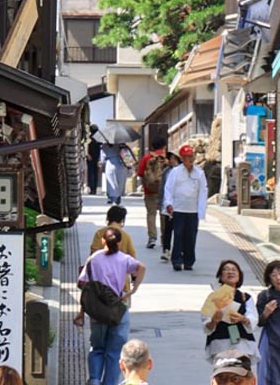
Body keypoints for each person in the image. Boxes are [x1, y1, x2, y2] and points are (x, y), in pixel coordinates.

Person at [78, 226, 146, 385]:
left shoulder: (93, 259)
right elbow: (141, 267)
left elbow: (85, 287)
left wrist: (81, 312)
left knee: (97, 348)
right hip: (117, 309)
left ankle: (94, 380)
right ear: (120, 243)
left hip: (97, 311)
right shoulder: (124, 259)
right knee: (115, 352)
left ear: (103, 241)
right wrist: (133, 290)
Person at [202, 259, 259, 366]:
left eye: (234, 270)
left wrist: (242, 318)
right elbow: (206, 325)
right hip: (220, 345)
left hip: (242, 345)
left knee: (241, 376)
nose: (230, 272)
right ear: (221, 276)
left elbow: (253, 319)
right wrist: (214, 321)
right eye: (226, 269)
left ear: (239, 276)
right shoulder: (213, 298)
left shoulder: (245, 297)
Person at [163, 143, 207, 271]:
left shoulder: (199, 173)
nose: (190, 159)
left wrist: (201, 210)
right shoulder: (175, 172)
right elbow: (168, 189)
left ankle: (189, 261)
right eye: (187, 156)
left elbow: (203, 191)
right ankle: (176, 260)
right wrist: (168, 204)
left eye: (191, 156)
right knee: (178, 235)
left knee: (191, 236)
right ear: (182, 158)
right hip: (178, 209)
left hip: (192, 210)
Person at [137, 142, 168, 249]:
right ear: (164, 146)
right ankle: (165, 238)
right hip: (164, 192)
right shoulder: (166, 158)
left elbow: (140, 173)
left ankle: (152, 238)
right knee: (164, 215)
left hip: (149, 191)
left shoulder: (146, 158)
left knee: (151, 214)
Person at [159, 150, 180, 262]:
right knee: (167, 229)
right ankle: (166, 250)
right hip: (168, 204)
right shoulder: (166, 171)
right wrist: (161, 201)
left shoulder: (183, 171)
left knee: (179, 230)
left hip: (180, 205)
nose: (169, 160)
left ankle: (178, 251)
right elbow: (163, 188)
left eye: (171, 158)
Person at [87, 124, 103, 196]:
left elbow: (86, 146)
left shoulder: (89, 138)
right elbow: (100, 149)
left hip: (90, 158)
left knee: (91, 173)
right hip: (96, 157)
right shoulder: (99, 138)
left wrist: (87, 154)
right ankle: (94, 189)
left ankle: (92, 188)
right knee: (95, 174)